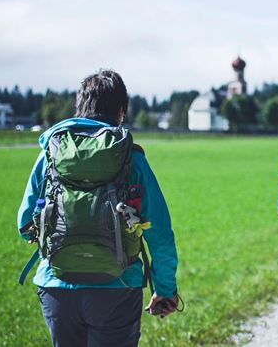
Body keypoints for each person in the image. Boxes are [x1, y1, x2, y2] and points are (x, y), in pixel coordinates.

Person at [17, 69, 179, 347]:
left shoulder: (51, 154)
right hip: (117, 289)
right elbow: (160, 235)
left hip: (57, 288)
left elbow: (24, 224)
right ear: (121, 111)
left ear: (79, 107)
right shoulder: (132, 159)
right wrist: (165, 290)